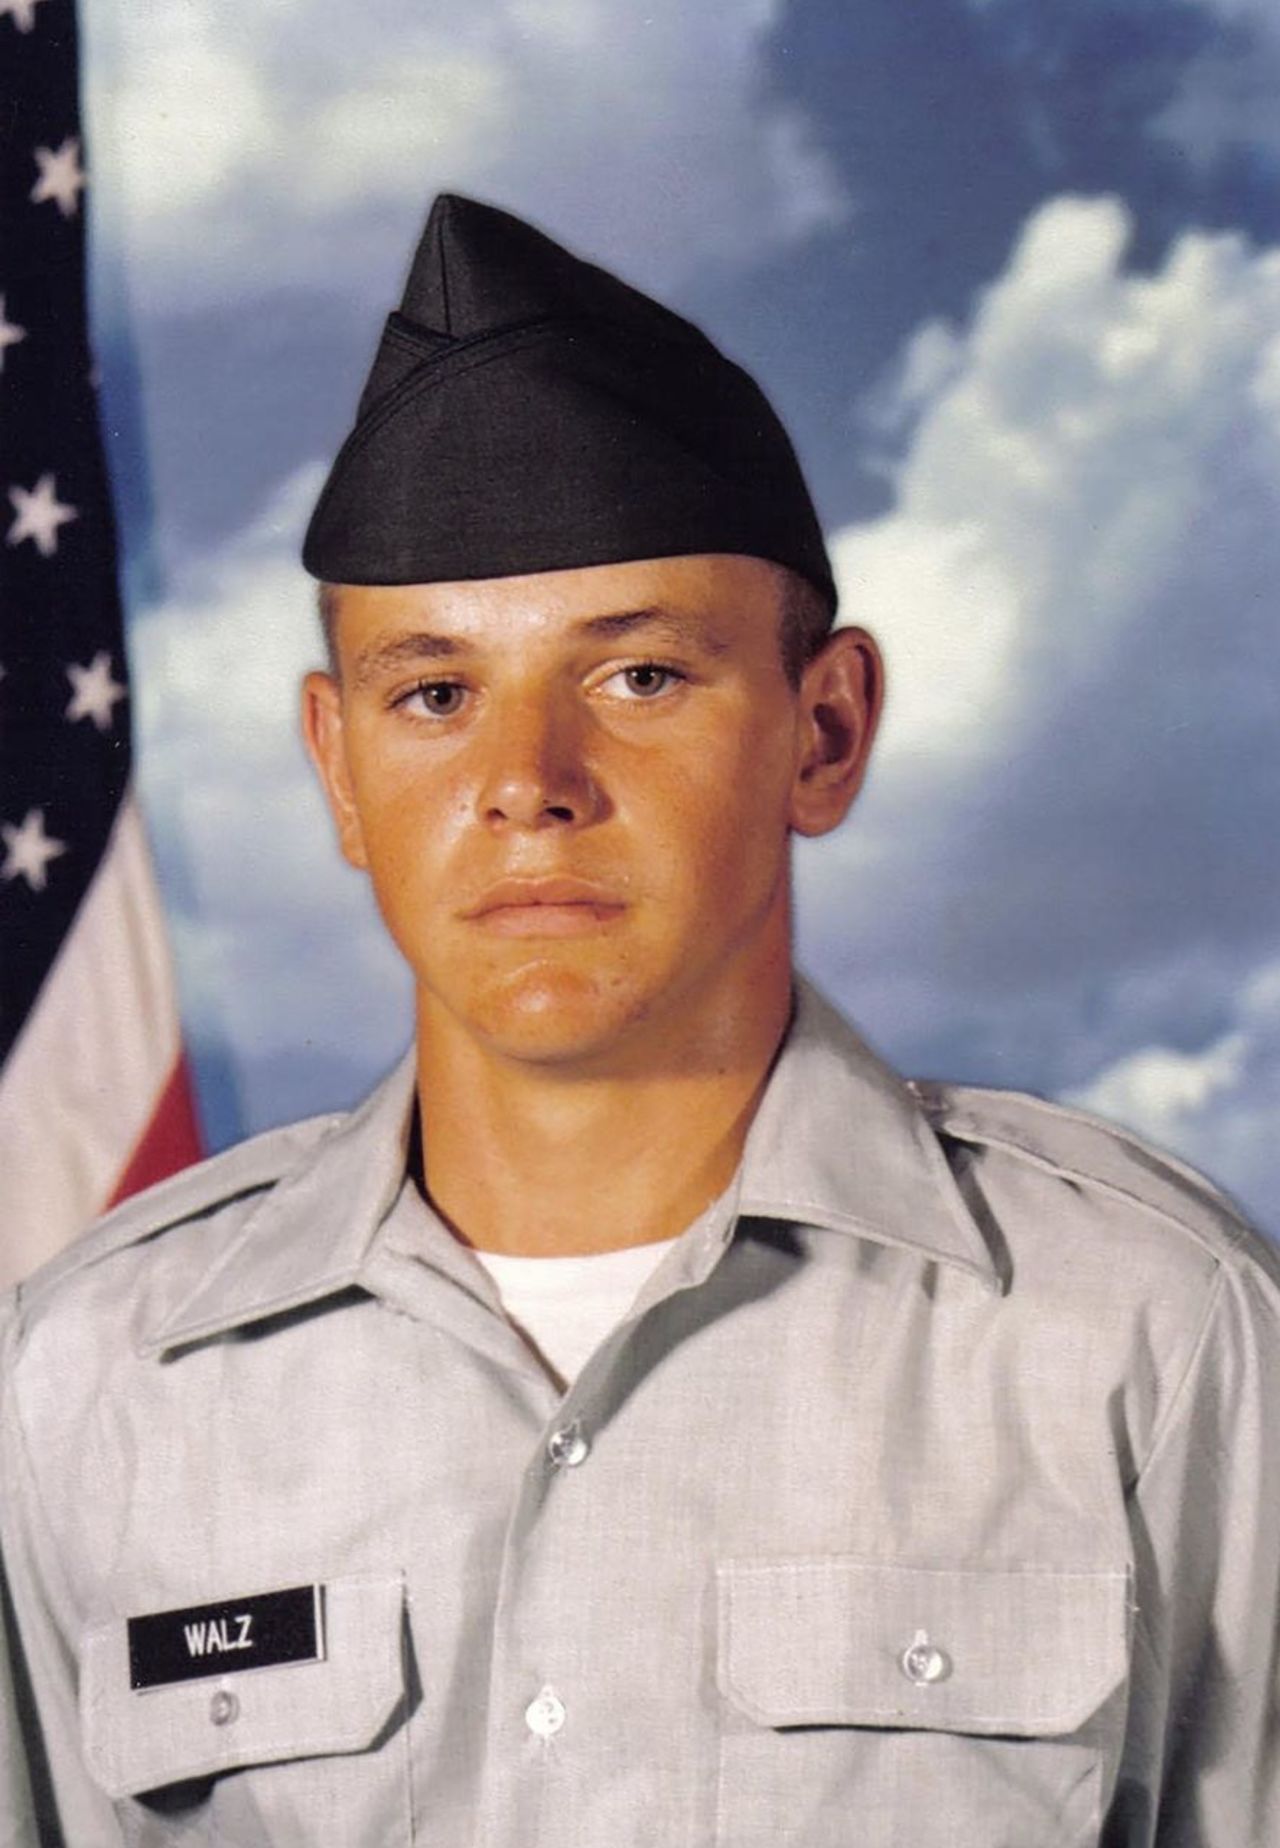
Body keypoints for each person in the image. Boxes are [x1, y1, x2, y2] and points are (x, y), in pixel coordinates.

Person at [2, 194, 1277, 1848]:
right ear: (337, 763)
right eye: (436, 693)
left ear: (824, 730)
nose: (526, 785)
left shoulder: (1146, 1332)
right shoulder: (95, 1375)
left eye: (640, 677)